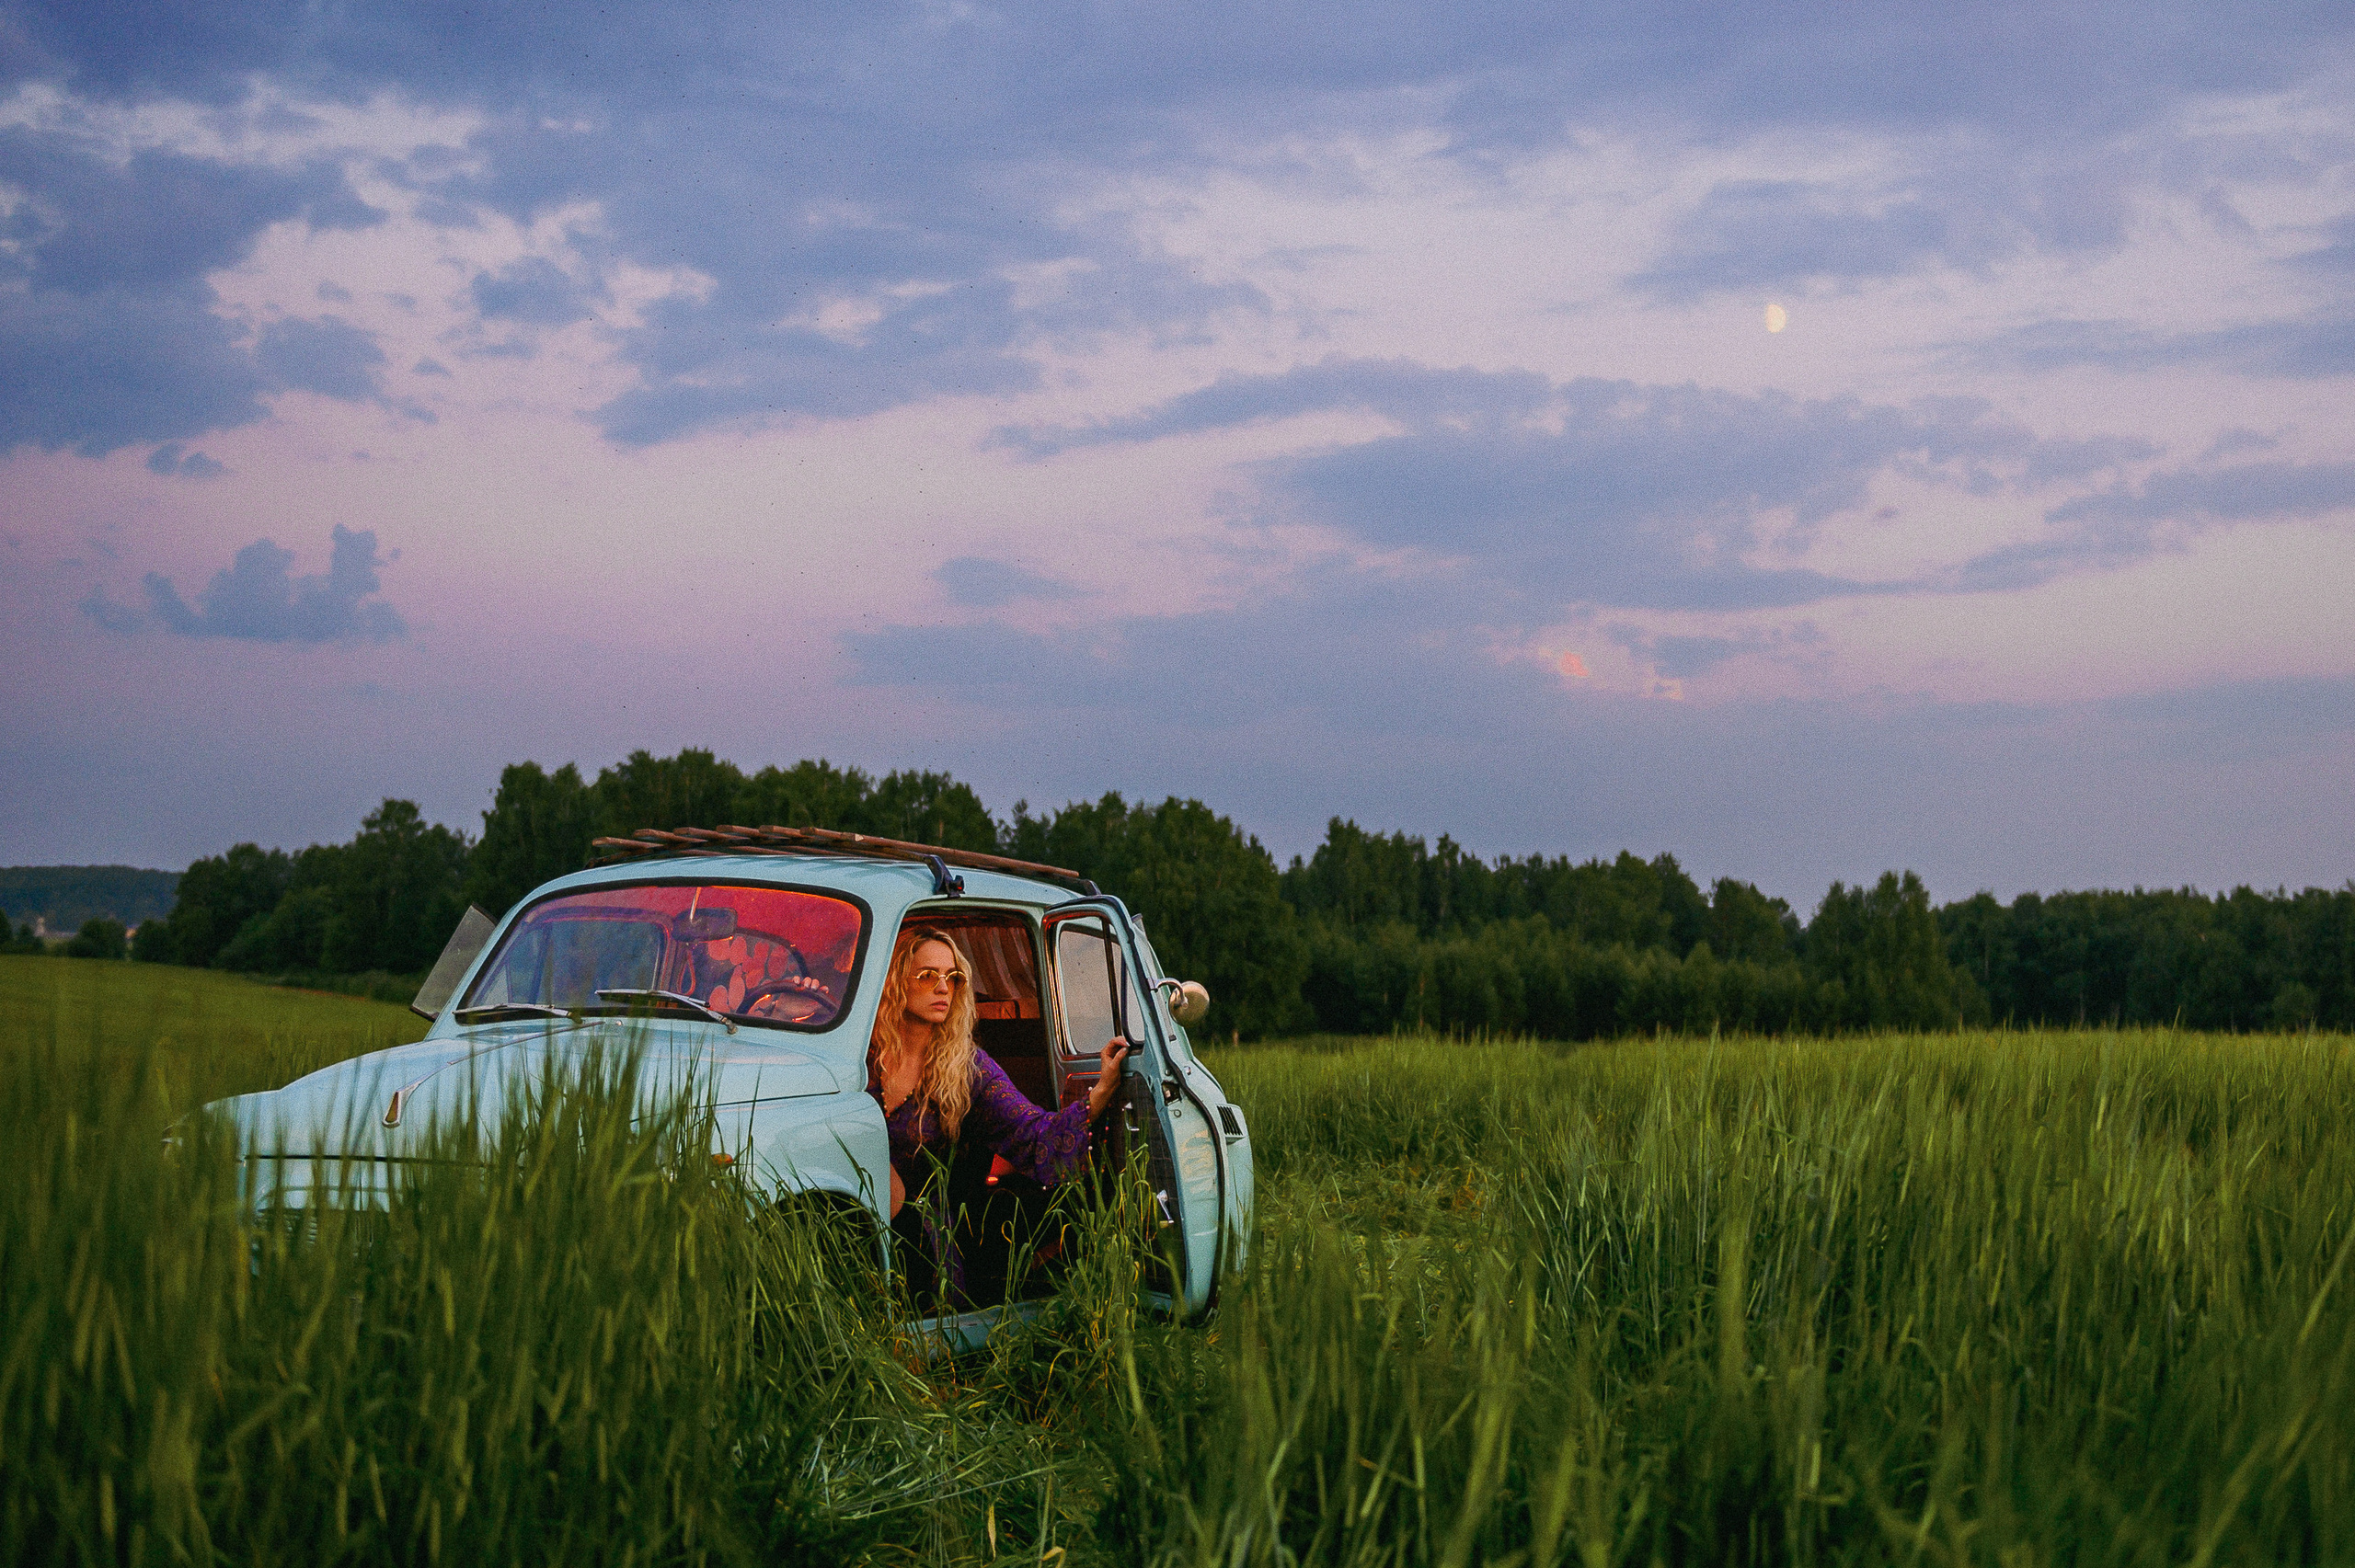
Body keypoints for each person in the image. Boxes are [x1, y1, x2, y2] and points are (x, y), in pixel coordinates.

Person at [867, 924, 1130, 1299]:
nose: (943, 987)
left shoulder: (967, 1069)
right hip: (854, 1222)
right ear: (896, 982)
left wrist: (1101, 1090)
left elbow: (1034, 1133)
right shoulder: (861, 1055)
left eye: (953, 977)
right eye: (927, 976)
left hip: (921, 1244)